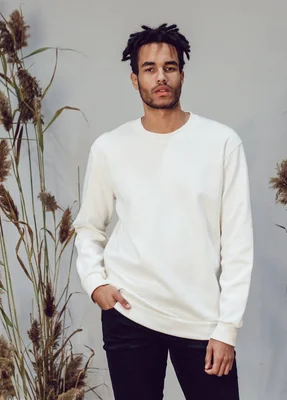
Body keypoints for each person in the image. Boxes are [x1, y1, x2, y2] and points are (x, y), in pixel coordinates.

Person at [72, 22, 254, 400]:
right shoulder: (111, 147)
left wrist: (226, 328)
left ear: (182, 75)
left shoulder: (221, 143)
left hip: (201, 318)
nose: (160, 77)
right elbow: (89, 227)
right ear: (134, 78)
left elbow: (238, 244)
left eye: (169, 67)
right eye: (150, 69)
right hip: (130, 313)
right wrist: (95, 283)